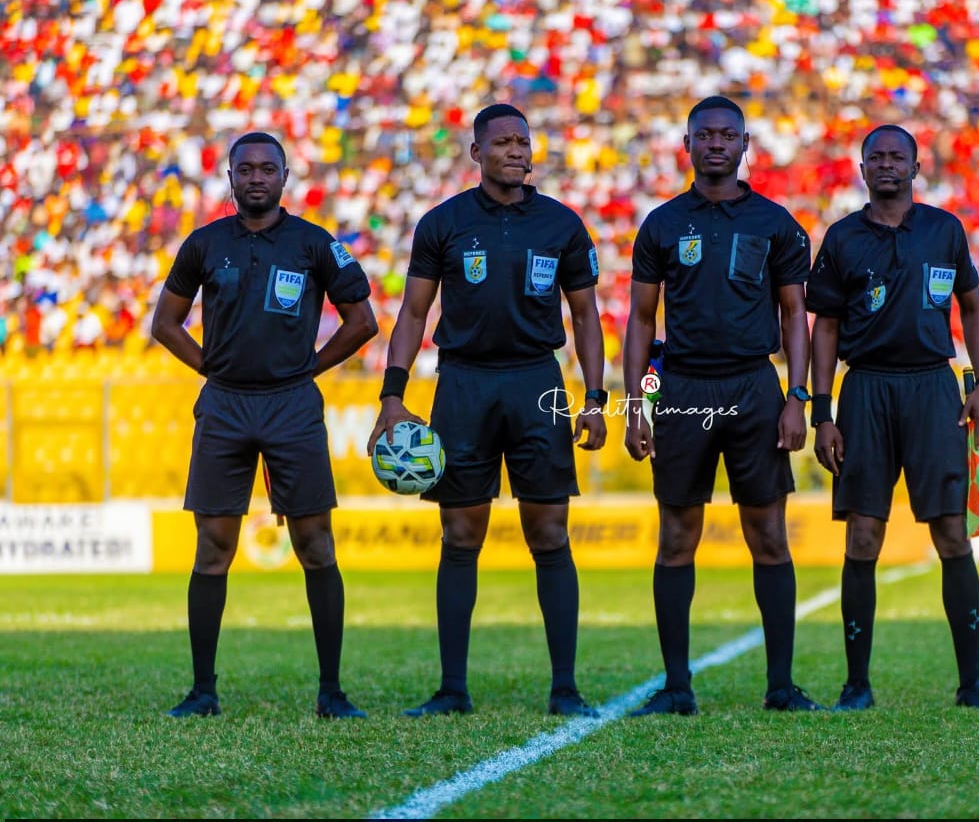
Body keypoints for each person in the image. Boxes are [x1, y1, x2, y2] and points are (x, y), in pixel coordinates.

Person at [368, 103, 606, 719]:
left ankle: (565, 689)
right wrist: (393, 396)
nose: (516, 151)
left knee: (549, 532)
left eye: (523, 142)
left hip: (538, 384)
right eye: (502, 142)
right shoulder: (443, 224)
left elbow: (585, 317)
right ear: (476, 153)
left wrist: (597, 398)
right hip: (464, 385)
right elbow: (414, 314)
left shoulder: (562, 225)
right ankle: (452, 689)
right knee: (460, 534)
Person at [151, 131, 378, 719]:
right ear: (230, 177)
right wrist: (211, 369)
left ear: (284, 176)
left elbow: (362, 321)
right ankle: (203, 691)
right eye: (245, 168)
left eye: (267, 168)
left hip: (291, 405)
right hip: (224, 405)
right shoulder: (204, 245)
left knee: (315, 543)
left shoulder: (313, 243)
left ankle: (332, 691)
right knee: (213, 548)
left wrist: (311, 368)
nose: (256, 177)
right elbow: (166, 323)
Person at [622, 95, 821, 715]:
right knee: (677, 535)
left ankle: (781, 687)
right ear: (686, 145)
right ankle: (677, 688)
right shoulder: (660, 224)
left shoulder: (776, 224)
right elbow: (640, 319)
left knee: (768, 535)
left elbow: (795, 316)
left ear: (743, 145)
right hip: (680, 388)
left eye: (726, 135)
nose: (715, 144)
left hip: (754, 389)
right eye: (703, 135)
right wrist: (636, 404)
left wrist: (797, 396)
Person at [806, 123, 979, 712]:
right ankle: (856, 684)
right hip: (865, 389)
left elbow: (972, 306)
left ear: (916, 168)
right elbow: (826, 328)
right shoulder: (842, 238)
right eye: (877, 157)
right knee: (864, 536)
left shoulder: (945, 230)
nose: (888, 165)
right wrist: (823, 412)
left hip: (932, 389)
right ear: (861, 169)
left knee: (950, 533)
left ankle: (972, 683)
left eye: (899, 156)